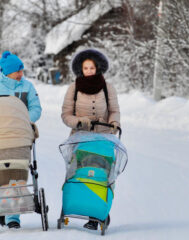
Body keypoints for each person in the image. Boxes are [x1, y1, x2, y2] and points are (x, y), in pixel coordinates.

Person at [0, 51, 42, 229]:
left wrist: (24, 120)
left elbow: (36, 108)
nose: (21, 74)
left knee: (16, 174)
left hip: (19, 135)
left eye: (21, 70)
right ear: (6, 72)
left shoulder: (27, 87)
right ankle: (2, 205)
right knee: (0, 173)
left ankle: (13, 217)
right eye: (17, 71)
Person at [61, 48, 120, 230]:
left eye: (91, 68)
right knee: (80, 174)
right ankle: (76, 206)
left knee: (100, 177)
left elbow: (114, 110)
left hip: (103, 139)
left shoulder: (107, 88)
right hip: (80, 139)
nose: (88, 71)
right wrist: (79, 122)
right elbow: (65, 115)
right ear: (80, 69)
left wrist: (114, 123)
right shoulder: (74, 88)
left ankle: (96, 216)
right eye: (85, 68)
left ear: (98, 68)